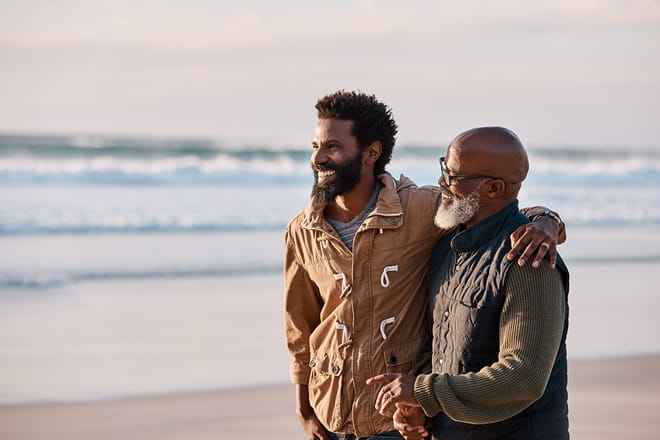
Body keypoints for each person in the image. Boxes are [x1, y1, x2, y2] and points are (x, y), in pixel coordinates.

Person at [284, 92, 565, 440]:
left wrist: (547, 222)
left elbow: (501, 210)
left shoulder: (424, 211)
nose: (318, 157)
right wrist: (305, 410)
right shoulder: (302, 230)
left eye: (332, 146)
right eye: (316, 145)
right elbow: (300, 325)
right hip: (333, 413)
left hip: (394, 421)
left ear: (371, 152)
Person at [366, 127, 570, 440]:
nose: (441, 183)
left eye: (453, 176)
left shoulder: (530, 262)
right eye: (443, 168)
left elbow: (523, 377)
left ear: (493, 188)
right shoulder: (448, 246)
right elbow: (435, 345)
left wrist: (422, 391)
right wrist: (420, 407)